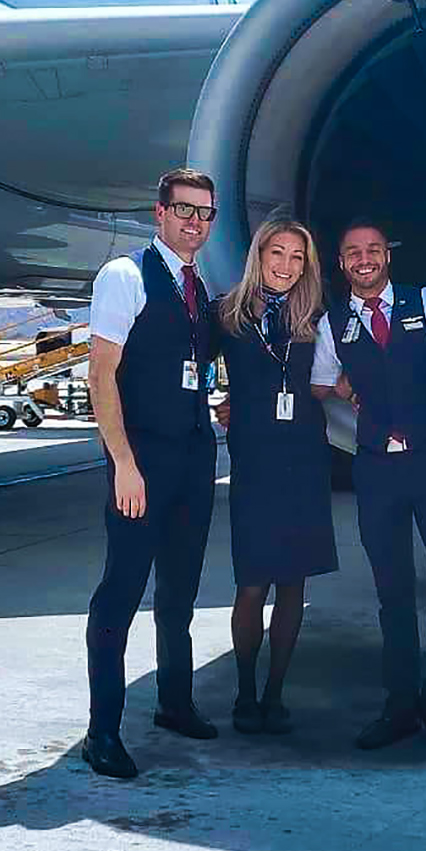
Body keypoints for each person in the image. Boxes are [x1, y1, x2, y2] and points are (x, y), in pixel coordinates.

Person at [311, 220, 426, 754]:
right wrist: (343, 384)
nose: (364, 259)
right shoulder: (335, 323)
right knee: (393, 592)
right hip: (377, 469)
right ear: (342, 263)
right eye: (353, 252)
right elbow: (317, 382)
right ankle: (400, 704)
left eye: (373, 250)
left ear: (387, 255)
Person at [81, 168, 221, 780]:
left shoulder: (199, 285)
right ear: (159, 212)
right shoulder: (125, 276)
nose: (196, 222)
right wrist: (123, 464)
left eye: (205, 213)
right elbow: (100, 375)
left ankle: (174, 700)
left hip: (194, 458)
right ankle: (102, 731)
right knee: (121, 593)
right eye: (185, 210)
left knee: (180, 592)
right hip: (143, 462)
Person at [212, 219, 338, 735]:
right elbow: (183, 361)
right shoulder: (228, 314)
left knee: (293, 584)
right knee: (251, 584)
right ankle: (245, 691)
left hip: (305, 459)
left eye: (297, 257)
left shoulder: (318, 317)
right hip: (256, 462)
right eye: (277, 253)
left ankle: (275, 693)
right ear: (258, 255)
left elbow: (336, 377)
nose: (286, 266)